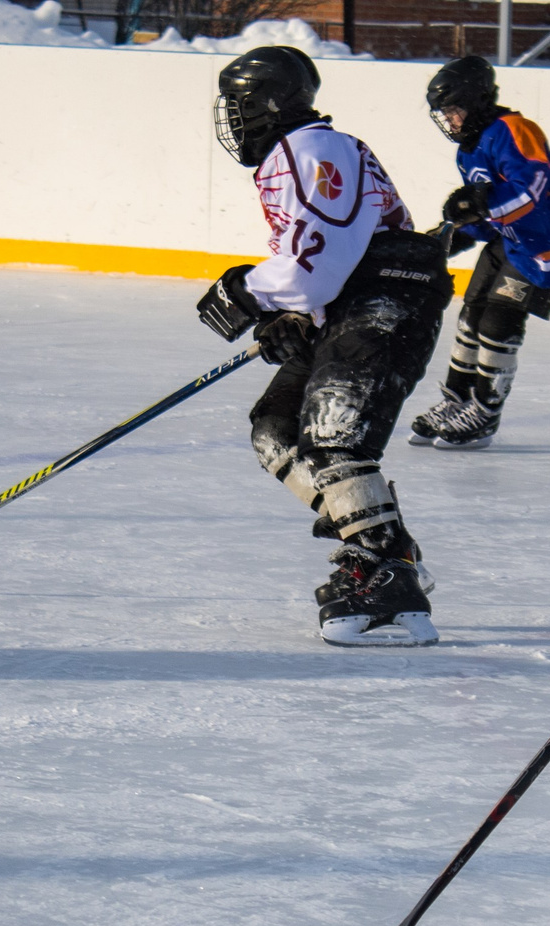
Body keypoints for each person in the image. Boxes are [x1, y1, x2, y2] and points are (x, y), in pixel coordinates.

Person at [197, 45, 453, 647]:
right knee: (276, 429)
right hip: (352, 301)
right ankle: (383, 545)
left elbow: (316, 262)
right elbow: (323, 264)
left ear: (269, 104)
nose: (230, 118)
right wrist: (296, 313)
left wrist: (249, 291)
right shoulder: (300, 154)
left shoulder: (314, 150)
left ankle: (387, 579)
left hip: (389, 294)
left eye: (237, 104)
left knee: (334, 434)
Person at [405, 56, 550, 452]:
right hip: (508, 240)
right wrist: (460, 231)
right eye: (445, 114)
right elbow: (489, 213)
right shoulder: (468, 151)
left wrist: (482, 200)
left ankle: (486, 411)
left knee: (497, 322)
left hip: (547, 244)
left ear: (476, 100)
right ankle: (457, 400)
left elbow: (532, 187)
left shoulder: (515, 129)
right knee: (470, 316)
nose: (450, 121)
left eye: (454, 111)